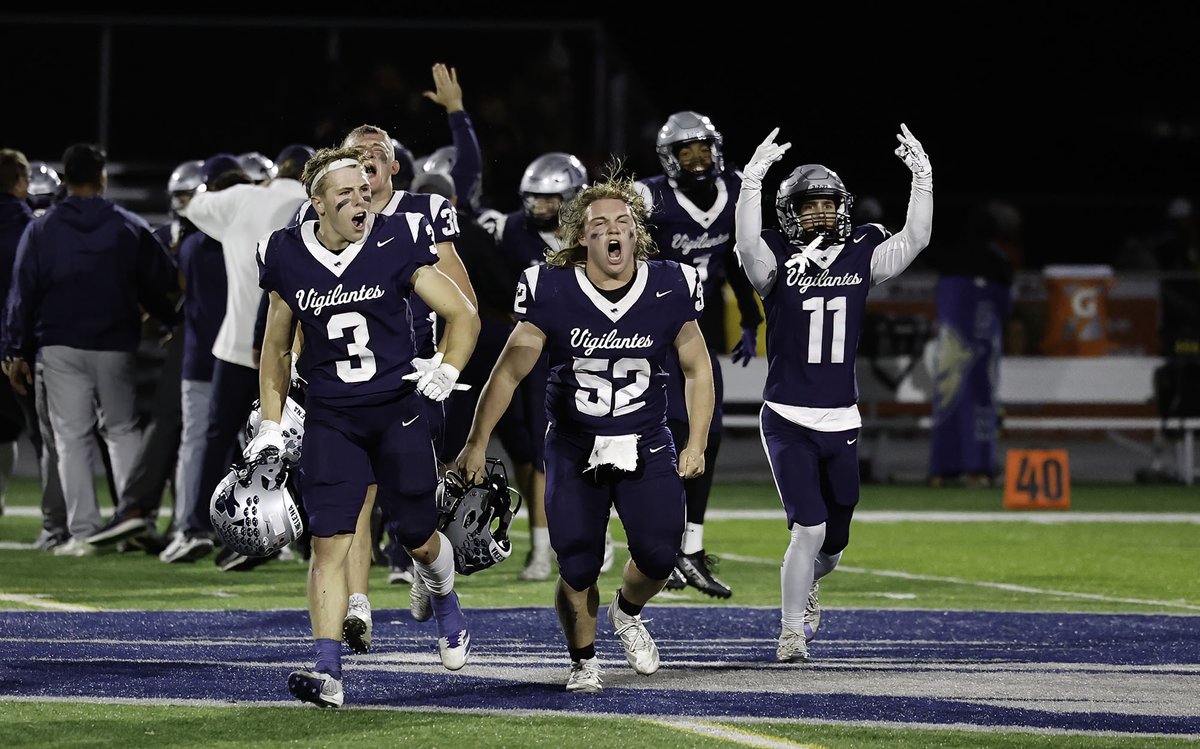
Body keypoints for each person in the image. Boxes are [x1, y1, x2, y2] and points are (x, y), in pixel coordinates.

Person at [454, 170, 715, 693]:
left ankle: (627, 610)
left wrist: (697, 442)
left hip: (646, 440)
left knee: (660, 556)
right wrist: (477, 441)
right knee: (577, 562)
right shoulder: (550, 288)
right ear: (580, 236)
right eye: (600, 224)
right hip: (575, 446)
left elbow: (698, 369)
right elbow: (508, 373)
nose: (613, 230)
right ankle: (583, 659)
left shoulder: (670, 284)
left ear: (637, 232)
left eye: (623, 221)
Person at [255, 146, 478, 707]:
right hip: (332, 417)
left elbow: (463, 315)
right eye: (346, 194)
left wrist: (448, 369)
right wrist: (271, 424)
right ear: (317, 204)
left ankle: (444, 597)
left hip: (398, 409)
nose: (362, 201)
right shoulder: (285, 253)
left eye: (364, 190)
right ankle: (328, 671)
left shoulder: (397, 237)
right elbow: (276, 348)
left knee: (417, 537)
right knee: (328, 542)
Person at [733, 124, 932, 662]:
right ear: (789, 214)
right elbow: (746, 245)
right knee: (809, 527)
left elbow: (915, 239)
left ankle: (809, 585)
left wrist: (923, 178)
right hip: (788, 416)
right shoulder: (774, 256)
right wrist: (752, 181)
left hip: (842, 416)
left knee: (834, 544)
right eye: (809, 206)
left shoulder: (863, 249)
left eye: (828, 204)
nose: (820, 214)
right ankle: (791, 633)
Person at [4, 143, 180, 556]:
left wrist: (15, 349)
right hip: (114, 344)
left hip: (59, 345)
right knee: (122, 432)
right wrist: (170, 321)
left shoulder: (42, 228)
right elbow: (162, 280)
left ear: (65, 179)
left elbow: (23, 293)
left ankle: (83, 532)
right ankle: (135, 519)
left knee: (71, 437)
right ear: (102, 179)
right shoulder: (127, 225)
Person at [635, 110, 764, 598]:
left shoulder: (735, 189)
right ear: (669, 157)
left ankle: (690, 548)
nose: (696, 157)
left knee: (708, 435)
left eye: (702, 147)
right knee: (658, 438)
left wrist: (749, 319)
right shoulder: (650, 197)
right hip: (650, 340)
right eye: (685, 150)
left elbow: (736, 261)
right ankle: (655, 548)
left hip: (696, 338)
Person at [178, 143, 311, 571]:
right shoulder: (319, 203)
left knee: (218, 440)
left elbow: (192, 203)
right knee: (300, 447)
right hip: (296, 348)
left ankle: (201, 527)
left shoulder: (244, 197)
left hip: (238, 344)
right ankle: (298, 537)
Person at [487, 151, 598, 582]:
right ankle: (539, 547)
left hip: (589, 353)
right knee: (537, 451)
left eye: (551, 199)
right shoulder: (511, 230)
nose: (540, 207)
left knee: (597, 445)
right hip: (536, 356)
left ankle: (595, 532)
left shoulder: (596, 231)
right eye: (534, 198)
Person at [159, 165, 243, 563]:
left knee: (197, 445)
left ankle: (189, 527)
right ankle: (253, 533)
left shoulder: (191, 246)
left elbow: (175, 289)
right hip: (243, 358)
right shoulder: (245, 241)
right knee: (253, 448)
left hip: (200, 358)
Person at [0, 152, 67, 547]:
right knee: (48, 437)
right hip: (21, 349)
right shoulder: (31, 229)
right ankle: (56, 525)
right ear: (20, 182)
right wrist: (17, 348)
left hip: (15, 344)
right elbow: (26, 296)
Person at [928, 201, 1018, 488]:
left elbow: (941, 303)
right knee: (980, 403)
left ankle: (943, 471)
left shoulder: (950, 259)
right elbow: (1004, 307)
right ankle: (976, 470)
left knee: (948, 402)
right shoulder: (998, 263)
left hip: (950, 346)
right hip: (979, 347)